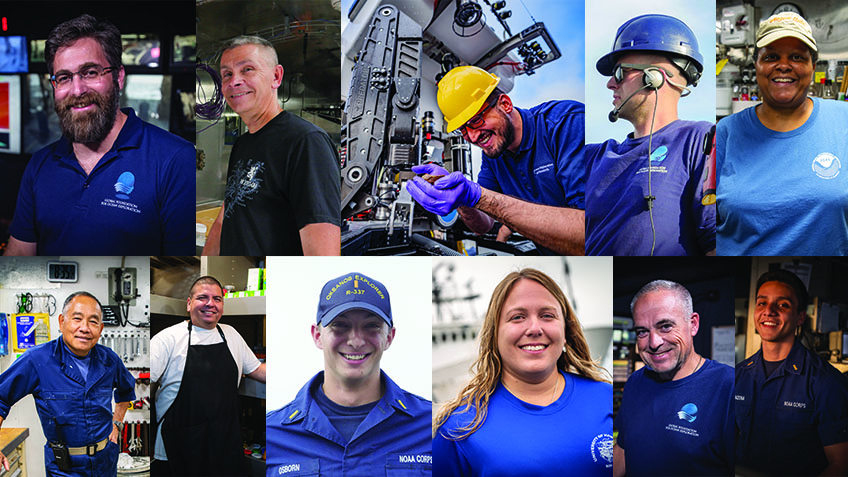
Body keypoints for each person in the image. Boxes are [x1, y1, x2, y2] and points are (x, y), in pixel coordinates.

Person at [6, 14, 194, 256]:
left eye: (90, 72)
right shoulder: (39, 164)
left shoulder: (175, 159)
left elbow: (183, 263)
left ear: (118, 77)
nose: (77, 90)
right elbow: (19, 254)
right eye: (63, 78)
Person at [433, 268, 612, 476]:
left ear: (566, 332)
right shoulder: (458, 427)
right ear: (495, 334)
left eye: (547, 315)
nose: (534, 328)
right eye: (517, 317)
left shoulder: (606, 397)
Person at [406, 66, 585, 255]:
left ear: (505, 104)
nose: (473, 138)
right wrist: (460, 198)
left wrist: (479, 196)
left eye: (475, 120)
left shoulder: (566, 123)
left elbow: (590, 231)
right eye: (463, 130)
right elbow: (483, 224)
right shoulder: (493, 156)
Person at [266, 272, 432, 475]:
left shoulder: (431, 426)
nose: (356, 341)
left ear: (389, 337)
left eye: (371, 326)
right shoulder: (273, 433)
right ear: (317, 336)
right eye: (340, 326)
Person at [716, 12, 848, 255]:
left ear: (812, 65)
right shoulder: (726, 131)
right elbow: (705, 225)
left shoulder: (844, 121)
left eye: (797, 57)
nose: (784, 65)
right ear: (756, 64)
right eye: (772, 56)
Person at [586, 14, 715, 256]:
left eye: (620, 72)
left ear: (655, 77)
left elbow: (715, 242)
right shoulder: (593, 156)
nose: (611, 84)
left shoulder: (699, 139)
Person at [202, 35, 341, 256]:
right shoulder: (242, 143)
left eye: (247, 69)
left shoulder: (306, 141)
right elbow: (225, 218)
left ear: (276, 76)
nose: (234, 81)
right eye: (227, 74)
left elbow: (322, 247)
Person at [0, 291, 135, 475]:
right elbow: (1, 398)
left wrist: (117, 423)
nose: (85, 328)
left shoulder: (109, 359)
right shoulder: (37, 359)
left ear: (101, 329)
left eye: (93, 321)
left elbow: (126, 390)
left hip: (105, 461)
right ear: (62, 321)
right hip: (64, 468)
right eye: (77, 319)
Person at [614, 280, 733, 477]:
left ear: (693, 324)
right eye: (642, 331)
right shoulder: (636, 381)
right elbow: (624, 450)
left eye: (666, 326)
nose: (654, 343)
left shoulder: (727, 386)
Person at [735, 269, 848, 476]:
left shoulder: (826, 383)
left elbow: (841, 466)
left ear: (800, 318)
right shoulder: (738, 375)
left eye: (783, 305)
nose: (769, 311)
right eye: (762, 302)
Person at [150, 276, 266, 476]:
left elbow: (257, 370)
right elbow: (140, 383)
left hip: (224, 443)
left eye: (217, 299)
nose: (210, 304)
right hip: (180, 446)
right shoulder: (167, 339)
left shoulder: (231, 334)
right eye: (202, 298)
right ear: (189, 303)